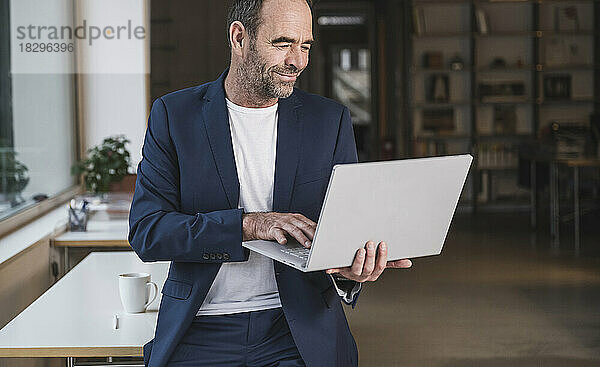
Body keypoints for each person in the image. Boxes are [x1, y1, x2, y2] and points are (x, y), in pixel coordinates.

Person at [128, 0, 412, 366]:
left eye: (305, 45)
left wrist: (350, 271)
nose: (298, 61)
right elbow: (149, 232)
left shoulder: (330, 121)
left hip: (295, 330)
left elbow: (345, 230)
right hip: (200, 329)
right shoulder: (174, 115)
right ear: (239, 38)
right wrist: (249, 225)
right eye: (282, 43)